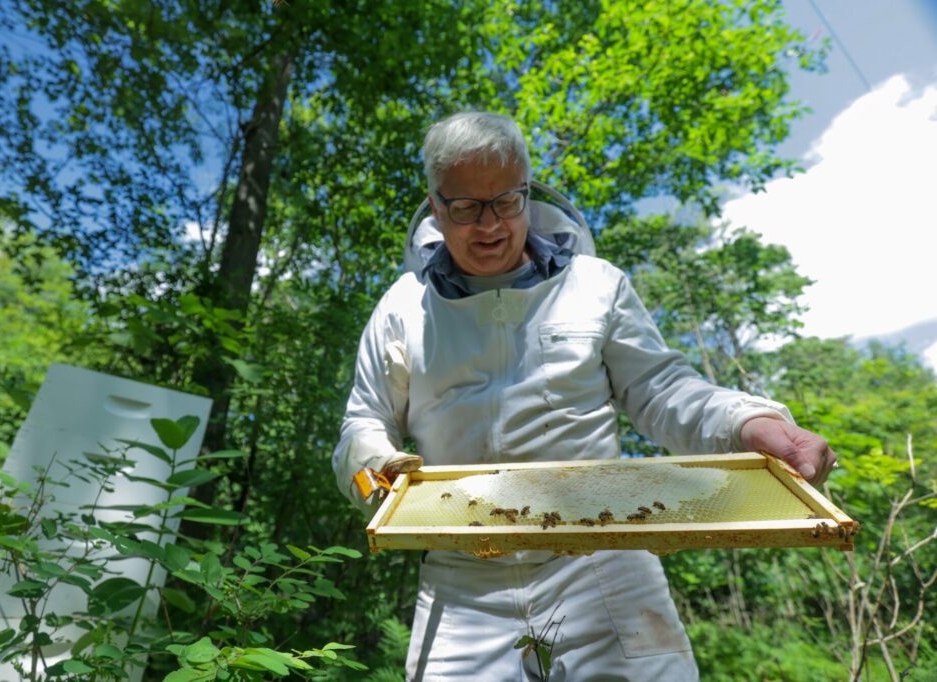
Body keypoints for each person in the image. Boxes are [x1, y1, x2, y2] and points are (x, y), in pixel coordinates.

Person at [332, 111, 836, 681]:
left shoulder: (595, 283)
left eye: (505, 201)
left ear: (527, 188)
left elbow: (661, 388)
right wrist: (377, 470)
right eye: (466, 207)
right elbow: (362, 423)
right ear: (435, 204)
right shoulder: (402, 307)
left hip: (604, 560)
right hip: (461, 574)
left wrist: (749, 422)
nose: (490, 224)